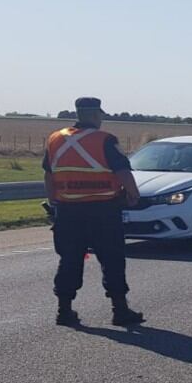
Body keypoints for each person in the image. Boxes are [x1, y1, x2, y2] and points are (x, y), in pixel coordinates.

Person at [44, 97, 145, 327]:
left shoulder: (55, 139)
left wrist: (54, 203)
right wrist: (133, 195)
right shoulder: (105, 140)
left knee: (69, 260)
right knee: (112, 260)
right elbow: (122, 172)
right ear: (95, 114)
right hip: (103, 211)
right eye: (100, 114)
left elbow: (49, 175)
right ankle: (120, 310)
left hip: (68, 212)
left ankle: (64, 310)